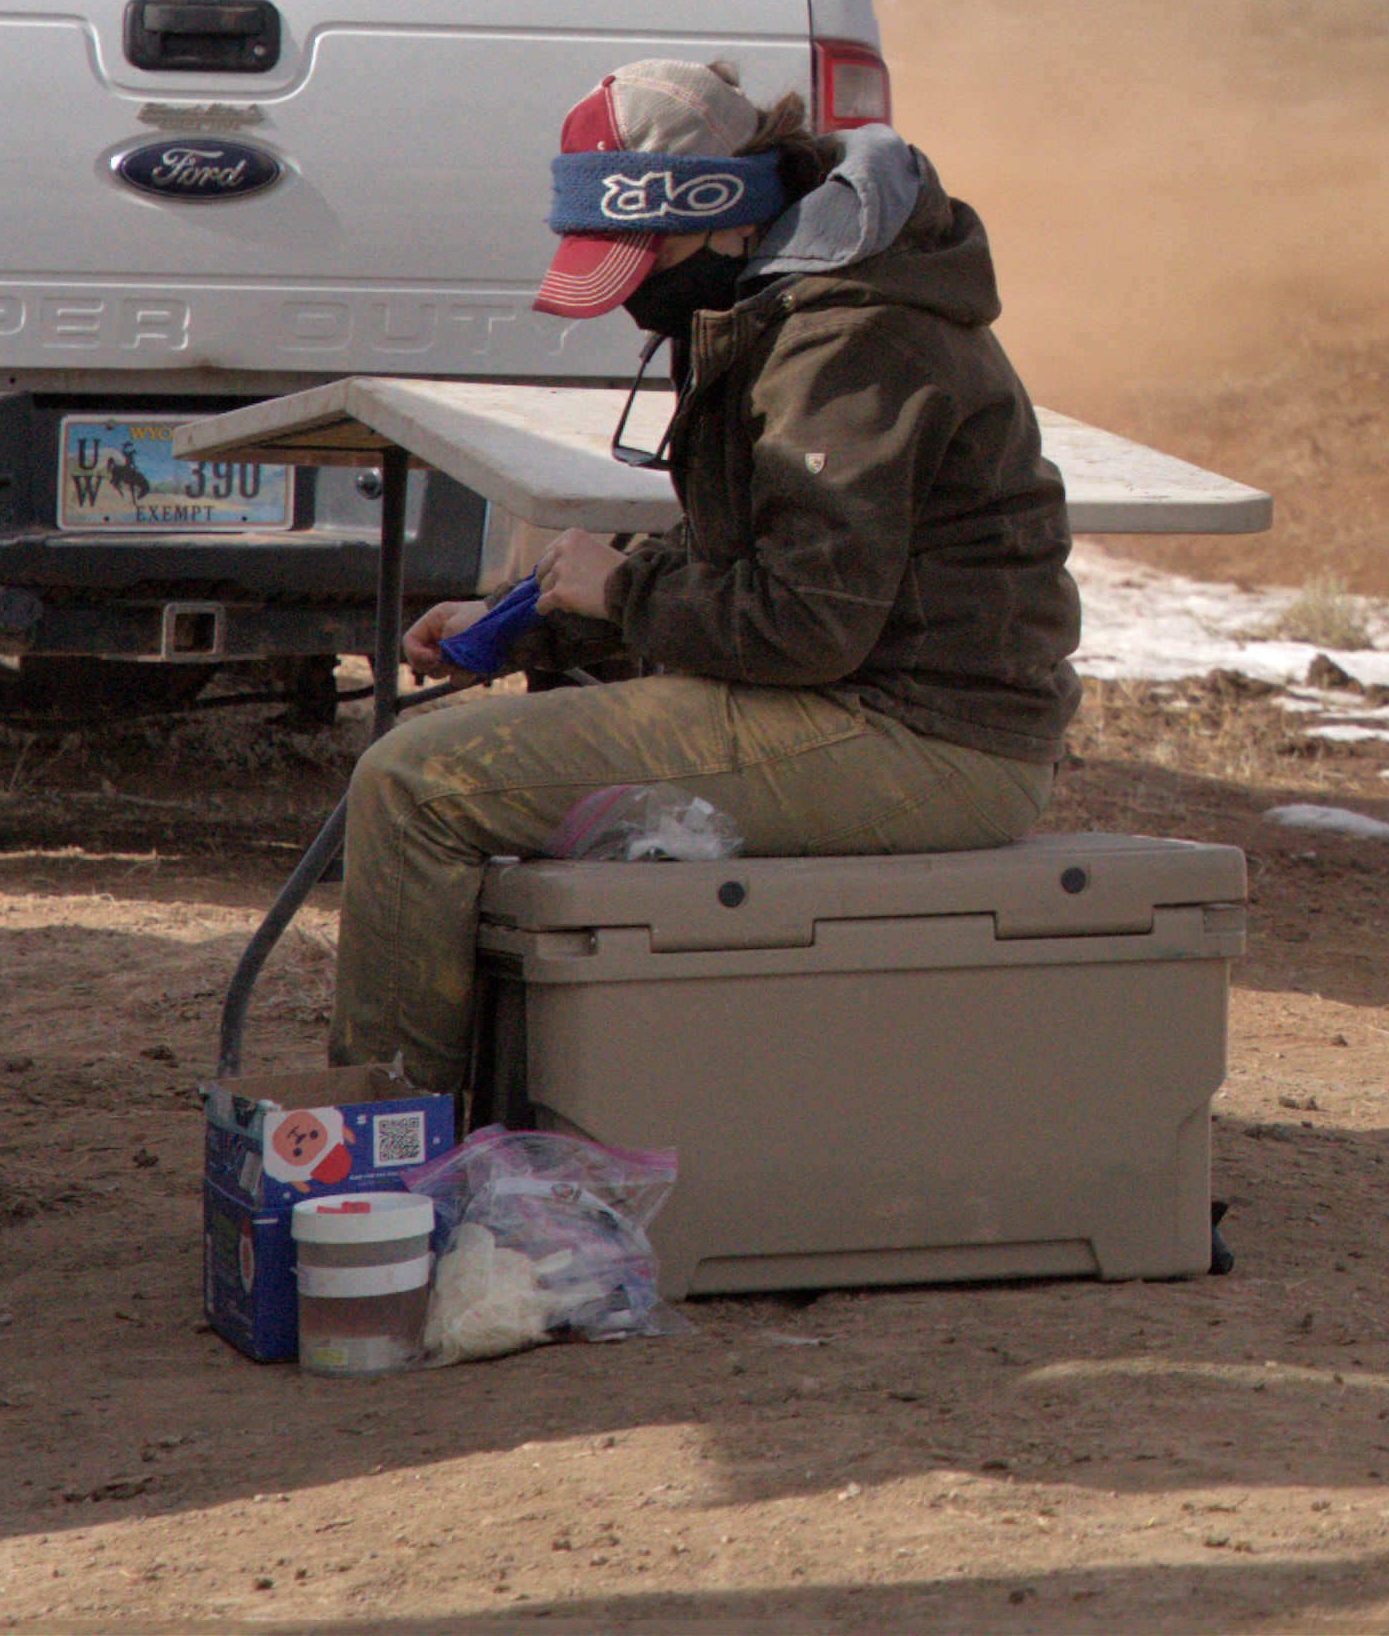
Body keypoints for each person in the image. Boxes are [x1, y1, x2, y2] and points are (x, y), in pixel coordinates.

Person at [325, 57, 1082, 1091]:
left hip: (926, 734)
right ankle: (450, 1120)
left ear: (729, 217)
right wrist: (534, 615)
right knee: (432, 766)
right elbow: (756, 558)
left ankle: (387, 1156)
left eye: (644, 256)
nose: (636, 293)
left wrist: (621, 592)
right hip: (876, 702)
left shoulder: (847, 338)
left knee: (417, 784)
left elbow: (811, 622)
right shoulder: (779, 299)